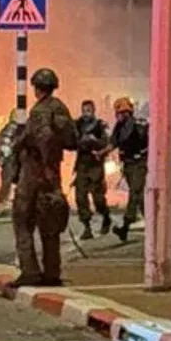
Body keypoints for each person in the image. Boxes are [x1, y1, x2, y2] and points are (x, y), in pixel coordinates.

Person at [9, 68, 76, 287]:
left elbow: (43, 138)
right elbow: (72, 140)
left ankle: (30, 271)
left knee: (22, 219)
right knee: (50, 221)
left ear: (37, 88)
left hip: (35, 171)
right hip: (53, 172)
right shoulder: (60, 108)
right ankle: (52, 272)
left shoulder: (39, 111)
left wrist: (39, 160)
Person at [110, 97, 149, 243]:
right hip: (128, 165)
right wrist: (100, 152)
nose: (118, 116)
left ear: (127, 113)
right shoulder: (119, 127)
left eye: (120, 112)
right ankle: (153, 224)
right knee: (139, 196)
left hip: (139, 163)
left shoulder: (140, 125)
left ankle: (126, 225)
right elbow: (112, 143)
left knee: (135, 192)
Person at [73, 99, 111, 240]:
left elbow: (107, 143)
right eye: (84, 111)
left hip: (95, 165)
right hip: (82, 164)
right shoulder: (77, 125)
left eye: (88, 110)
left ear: (94, 111)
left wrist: (94, 141)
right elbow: (70, 140)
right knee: (80, 197)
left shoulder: (100, 126)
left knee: (98, 199)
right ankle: (87, 227)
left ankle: (106, 216)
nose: (86, 113)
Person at [0, 111, 21, 213]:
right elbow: (3, 145)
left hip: (14, 160)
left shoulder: (18, 129)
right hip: (10, 161)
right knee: (8, 182)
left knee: (16, 182)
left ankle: (8, 203)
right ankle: (2, 204)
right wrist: (8, 155)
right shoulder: (11, 128)